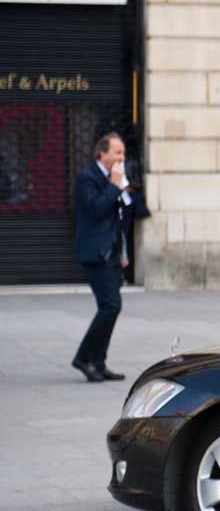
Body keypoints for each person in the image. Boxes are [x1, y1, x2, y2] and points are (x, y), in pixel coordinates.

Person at [71, 132, 130, 382]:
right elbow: (96, 208)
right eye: (117, 152)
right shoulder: (87, 177)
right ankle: (84, 358)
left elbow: (119, 216)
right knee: (110, 305)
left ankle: (98, 361)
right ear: (102, 153)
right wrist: (114, 186)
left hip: (112, 252)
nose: (121, 157)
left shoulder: (113, 177)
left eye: (123, 152)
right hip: (96, 252)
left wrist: (123, 251)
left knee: (111, 307)